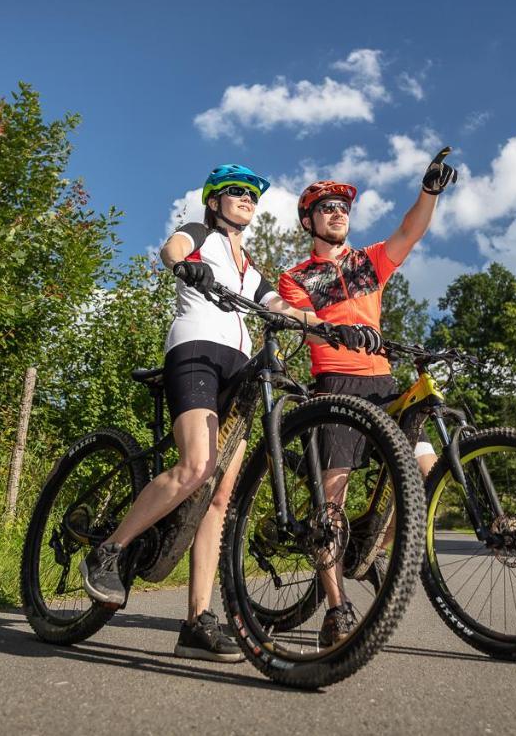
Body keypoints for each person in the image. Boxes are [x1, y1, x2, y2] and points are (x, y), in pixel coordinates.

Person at [79, 164, 359, 662]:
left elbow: (280, 306)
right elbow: (171, 250)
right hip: (196, 351)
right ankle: (110, 551)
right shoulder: (201, 234)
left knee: (220, 496)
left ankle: (196, 622)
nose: (247, 198)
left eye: (253, 194)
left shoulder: (249, 267)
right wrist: (185, 265)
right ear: (214, 201)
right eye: (237, 192)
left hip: (239, 367)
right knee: (196, 466)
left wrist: (327, 327)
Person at [277, 146, 458, 646]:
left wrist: (429, 192)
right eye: (327, 208)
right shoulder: (296, 276)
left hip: (382, 382)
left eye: (343, 208)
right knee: (329, 499)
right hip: (335, 382)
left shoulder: (367, 263)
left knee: (426, 475)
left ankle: (370, 545)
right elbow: (304, 325)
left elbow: (409, 232)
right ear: (309, 220)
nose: (338, 213)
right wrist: (332, 331)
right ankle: (336, 609)